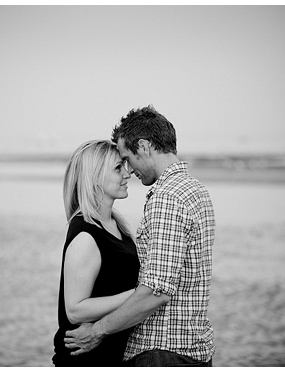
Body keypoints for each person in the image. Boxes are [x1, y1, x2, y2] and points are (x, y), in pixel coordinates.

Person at [64, 105, 216, 367]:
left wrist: (98, 331)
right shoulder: (195, 190)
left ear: (144, 147)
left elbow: (156, 292)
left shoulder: (168, 198)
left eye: (127, 158)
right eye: (119, 165)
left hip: (162, 352)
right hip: (184, 350)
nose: (129, 171)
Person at [52, 140, 139, 366]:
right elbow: (75, 310)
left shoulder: (116, 224)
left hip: (112, 355)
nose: (127, 173)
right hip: (85, 359)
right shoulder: (85, 234)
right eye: (118, 168)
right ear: (95, 177)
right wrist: (139, 295)